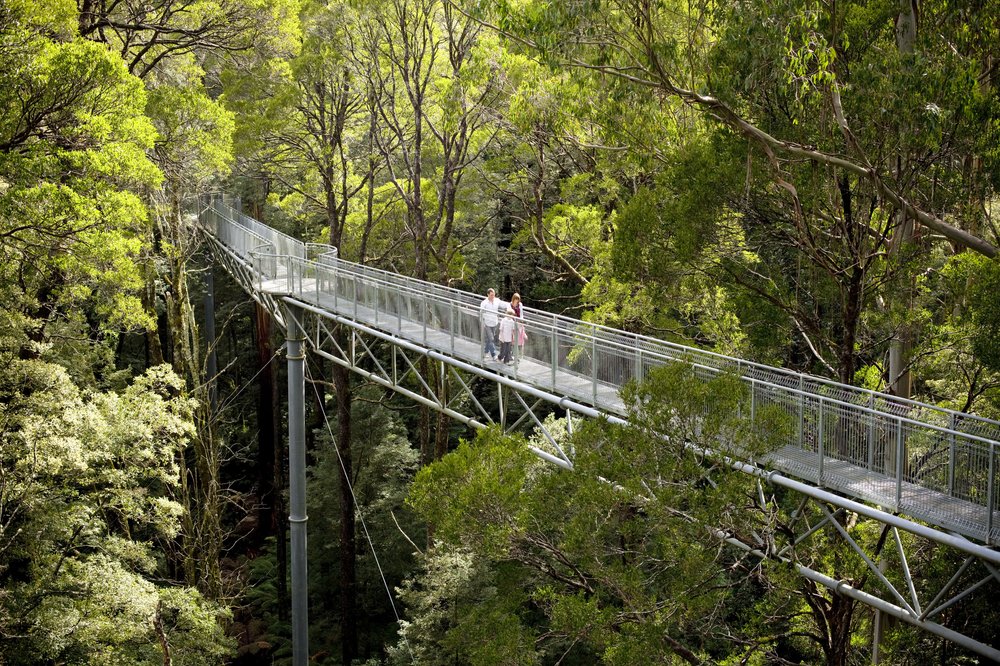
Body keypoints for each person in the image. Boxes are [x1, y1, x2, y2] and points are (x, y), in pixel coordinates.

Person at [480, 288, 501, 360]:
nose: (493, 296)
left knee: (489, 339)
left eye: (494, 295)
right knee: (491, 339)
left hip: (494, 322)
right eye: (491, 295)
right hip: (487, 324)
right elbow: (481, 313)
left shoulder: (497, 300)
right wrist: (482, 323)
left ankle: (485, 352)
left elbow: (504, 304)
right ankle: (494, 354)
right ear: (488, 294)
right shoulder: (484, 303)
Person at [510, 293, 526, 358]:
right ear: (513, 299)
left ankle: (518, 355)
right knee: (513, 339)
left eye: (518, 299)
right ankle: (513, 354)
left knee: (519, 339)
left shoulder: (520, 304)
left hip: (519, 323)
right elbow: (510, 314)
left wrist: (521, 320)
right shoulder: (510, 304)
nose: (517, 300)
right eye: (516, 299)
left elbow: (521, 313)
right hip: (512, 323)